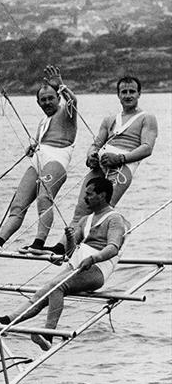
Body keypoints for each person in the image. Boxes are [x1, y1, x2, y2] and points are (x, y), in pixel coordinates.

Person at [0, 177, 127, 350]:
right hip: (78, 265)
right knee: (43, 292)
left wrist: (93, 258)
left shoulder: (114, 219)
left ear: (102, 195)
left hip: (97, 269)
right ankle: (6, 321)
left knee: (57, 287)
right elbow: (70, 253)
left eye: (89, 194)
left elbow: (113, 247)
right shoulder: (85, 220)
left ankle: (49, 334)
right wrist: (71, 239)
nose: (85, 198)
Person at [44, 75, 157, 255]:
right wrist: (91, 156)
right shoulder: (110, 119)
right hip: (100, 167)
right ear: (118, 95)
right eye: (124, 92)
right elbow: (96, 144)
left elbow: (146, 148)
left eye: (132, 92)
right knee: (81, 210)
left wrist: (119, 158)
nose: (128, 96)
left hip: (121, 169)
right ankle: (62, 246)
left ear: (139, 94)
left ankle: (94, 250)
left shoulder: (147, 118)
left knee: (100, 211)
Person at [0, 65, 77, 254]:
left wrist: (60, 85)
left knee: (44, 199)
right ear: (38, 103)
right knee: (18, 205)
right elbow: (41, 141)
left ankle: (38, 243)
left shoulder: (66, 113)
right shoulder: (43, 121)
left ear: (58, 98)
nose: (47, 102)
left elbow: (73, 101)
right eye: (43, 100)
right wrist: (33, 145)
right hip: (38, 161)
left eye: (51, 98)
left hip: (56, 161)